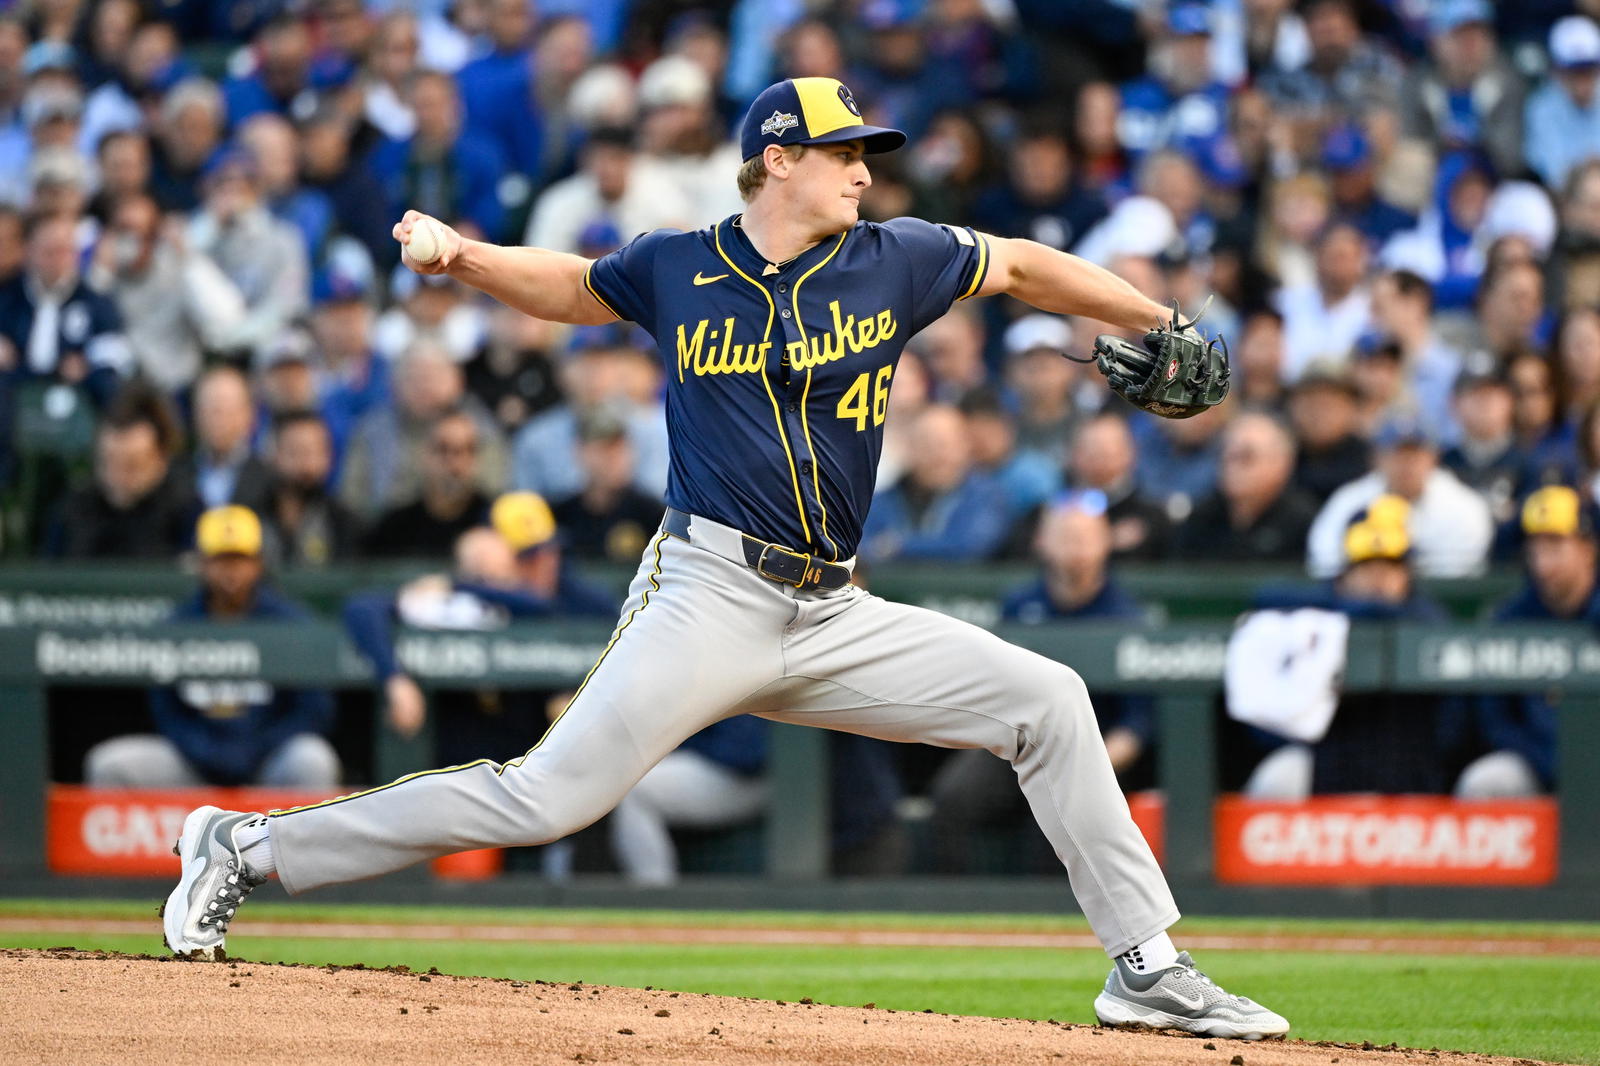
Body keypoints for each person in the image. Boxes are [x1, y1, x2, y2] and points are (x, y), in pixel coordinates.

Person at [163, 76, 1288, 1041]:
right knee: (546, 797)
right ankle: (247, 848)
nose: (863, 171)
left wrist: (1155, 315)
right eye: (843, 153)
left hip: (836, 609)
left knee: (1049, 699)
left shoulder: (895, 258)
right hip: (707, 590)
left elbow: (1026, 268)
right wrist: (465, 257)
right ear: (777, 160)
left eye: (866, 153)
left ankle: (1147, 967)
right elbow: (575, 287)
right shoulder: (681, 266)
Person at [930, 492, 1155, 875]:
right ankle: (962, 902)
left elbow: (1135, 727)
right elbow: (993, 690)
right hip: (1015, 745)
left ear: (1106, 542)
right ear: (1041, 541)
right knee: (954, 796)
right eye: (1065, 536)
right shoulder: (1019, 605)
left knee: (1062, 813)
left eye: (1085, 537)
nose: (1075, 547)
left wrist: (1084, 764)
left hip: (1090, 754)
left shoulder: (1127, 616)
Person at [84, 505, 339, 788]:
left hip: (267, 762)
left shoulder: (290, 623)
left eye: (240, 559)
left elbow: (313, 710)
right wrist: (208, 752)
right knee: (111, 765)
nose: (231, 571)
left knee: (312, 760)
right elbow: (167, 712)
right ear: (202, 563)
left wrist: (255, 749)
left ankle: (295, 822)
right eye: (220, 560)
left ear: (258, 563)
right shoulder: (178, 624)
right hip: (195, 765)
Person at [1239, 501, 1464, 799]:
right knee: (1280, 777)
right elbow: (1265, 596)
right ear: (1345, 573)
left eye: (1390, 567)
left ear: (1407, 572)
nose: (1379, 580)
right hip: (1324, 768)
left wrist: (1366, 613)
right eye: (1367, 567)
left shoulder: (1426, 618)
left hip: (1408, 775)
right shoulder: (1315, 611)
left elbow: (1452, 728)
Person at [1460, 486, 1585, 798]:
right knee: (1486, 782)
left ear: (1588, 548)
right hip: (1536, 762)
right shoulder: (1511, 618)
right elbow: (1495, 720)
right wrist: (1547, 761)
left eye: (1555, 545)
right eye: (1535, 548)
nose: (1543, 561)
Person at [1306, 421, 1493, 578]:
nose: (1406, 464)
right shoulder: (1349, 499)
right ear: (1376, 458)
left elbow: (1458, 573)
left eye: (1415, 455)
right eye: (1396, 454)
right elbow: (1324, 560)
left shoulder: (1464, 505)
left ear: (1433, 458)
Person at [46, 384, 197, 558]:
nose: (117, 477)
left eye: (132, 466)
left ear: (161, 458)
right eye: (108, 463)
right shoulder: (73, 510)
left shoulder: (185, 513)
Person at [1175, 412, 1317, 562]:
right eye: (1225, 453)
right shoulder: (1201, 519)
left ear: (1282, 462)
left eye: (1245, 456)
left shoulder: (1306, 524)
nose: (1231, 464)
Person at [360, 408, 494, 558]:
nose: (454, 464)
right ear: (424, 454)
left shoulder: (494, 523)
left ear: (477, 458)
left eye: (466, 450)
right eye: (443, 450)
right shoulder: (393, 529)